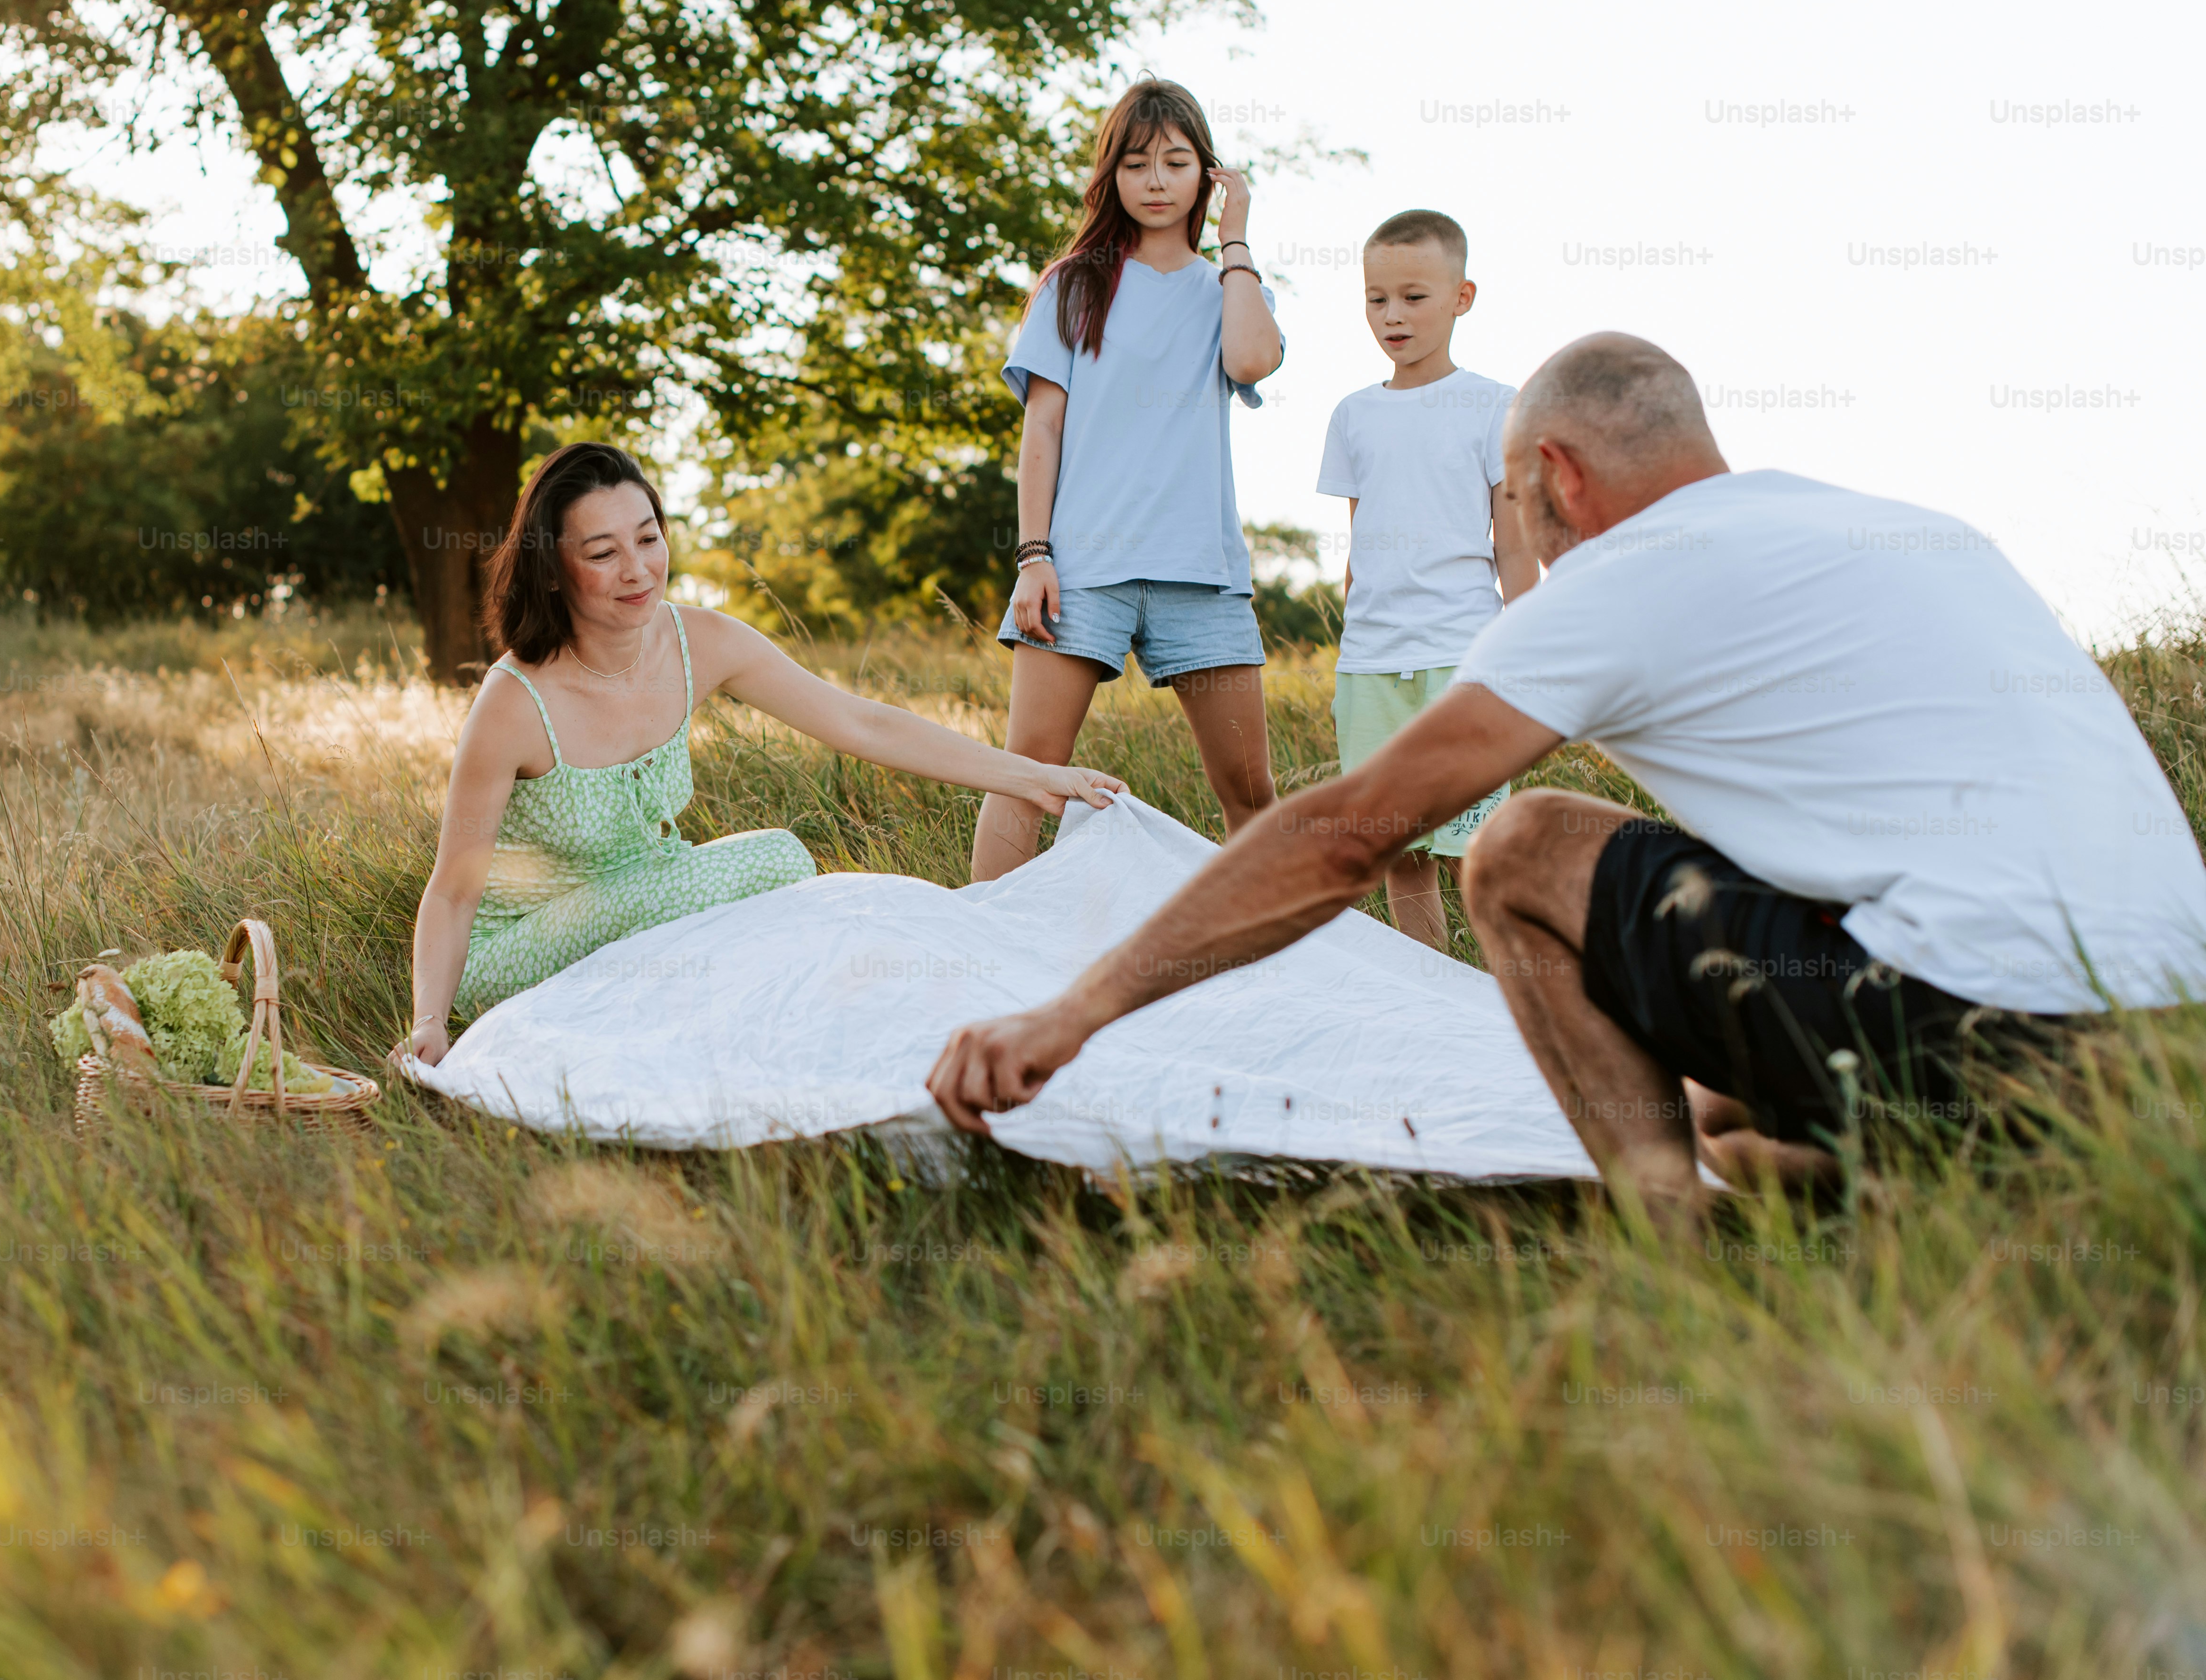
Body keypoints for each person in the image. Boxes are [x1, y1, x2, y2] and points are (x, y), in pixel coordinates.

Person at [926, 332, 2206, 1221]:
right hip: (2156, 1051)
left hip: (1962, 1022)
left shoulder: (1618, 574)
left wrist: (1072, 1015)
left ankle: (1665, 1249)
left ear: (1558, 480)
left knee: (1522, 844)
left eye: (1511, 497)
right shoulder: (1907, 530)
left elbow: (1344, 837)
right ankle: (1943, 1174)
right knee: (1722, 1123)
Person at [404, 442, 1125, 1068]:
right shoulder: (513, 703)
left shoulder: (699, 642)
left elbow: (861, 724)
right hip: (517, 945)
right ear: (553, 570)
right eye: (603, 553)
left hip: (656, 903)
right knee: (776, 860)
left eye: (649, 539)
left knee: (803, 903)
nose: (638, 570)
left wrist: (1036, 778)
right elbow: (454, 890)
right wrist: (431, 1023)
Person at [968, 79, 1289, 884]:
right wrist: (1033, 556)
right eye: (1137, 163)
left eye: (1176, 162)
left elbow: (1253, 361)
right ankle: (970, 954)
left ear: (1205, 176)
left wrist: (1236, 238)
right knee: (1029, 773)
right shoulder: (1075, 285)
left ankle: (1278, 958)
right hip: (1083, 569)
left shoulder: (1230, 290)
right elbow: (1042, 427)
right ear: (1112, 175)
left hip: (1202, 574)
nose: (1155, 181)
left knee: (1250, 789)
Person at [1318, 208, 1536, 949]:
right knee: (1399, 851)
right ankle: (1436, 1004)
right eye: (1377, 298)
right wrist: (1351, 654)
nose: (1392, 315)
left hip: (1464, 659)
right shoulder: (1353, 416)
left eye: (1414, 296)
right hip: (1372, 666)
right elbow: (1360, 547)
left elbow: (1515, 547)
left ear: (1462, 297)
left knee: (1477, 849)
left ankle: (1512, 1006)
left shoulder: (1494, 405)